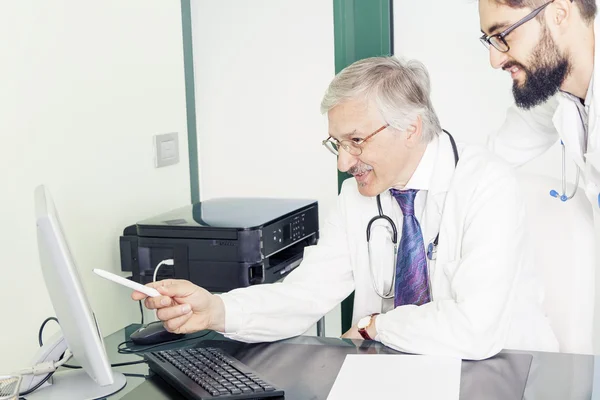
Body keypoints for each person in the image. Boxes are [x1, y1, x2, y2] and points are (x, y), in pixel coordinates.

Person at [132, 56, 557, 360]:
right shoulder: (357, 197)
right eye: (337, 144)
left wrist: (377, 325)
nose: (343, 162)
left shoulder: (487, 185)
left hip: (508, 369)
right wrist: (218, 310)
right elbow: (304, 295)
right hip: (399, 366)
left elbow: (475, 332)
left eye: (356, 140)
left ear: (410, 128)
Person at [478, 0, 600, 215]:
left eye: (503, 35)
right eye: (489, 40)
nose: (494, 60)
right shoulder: (558, 91)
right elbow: (493, 158)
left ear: (559, 14)